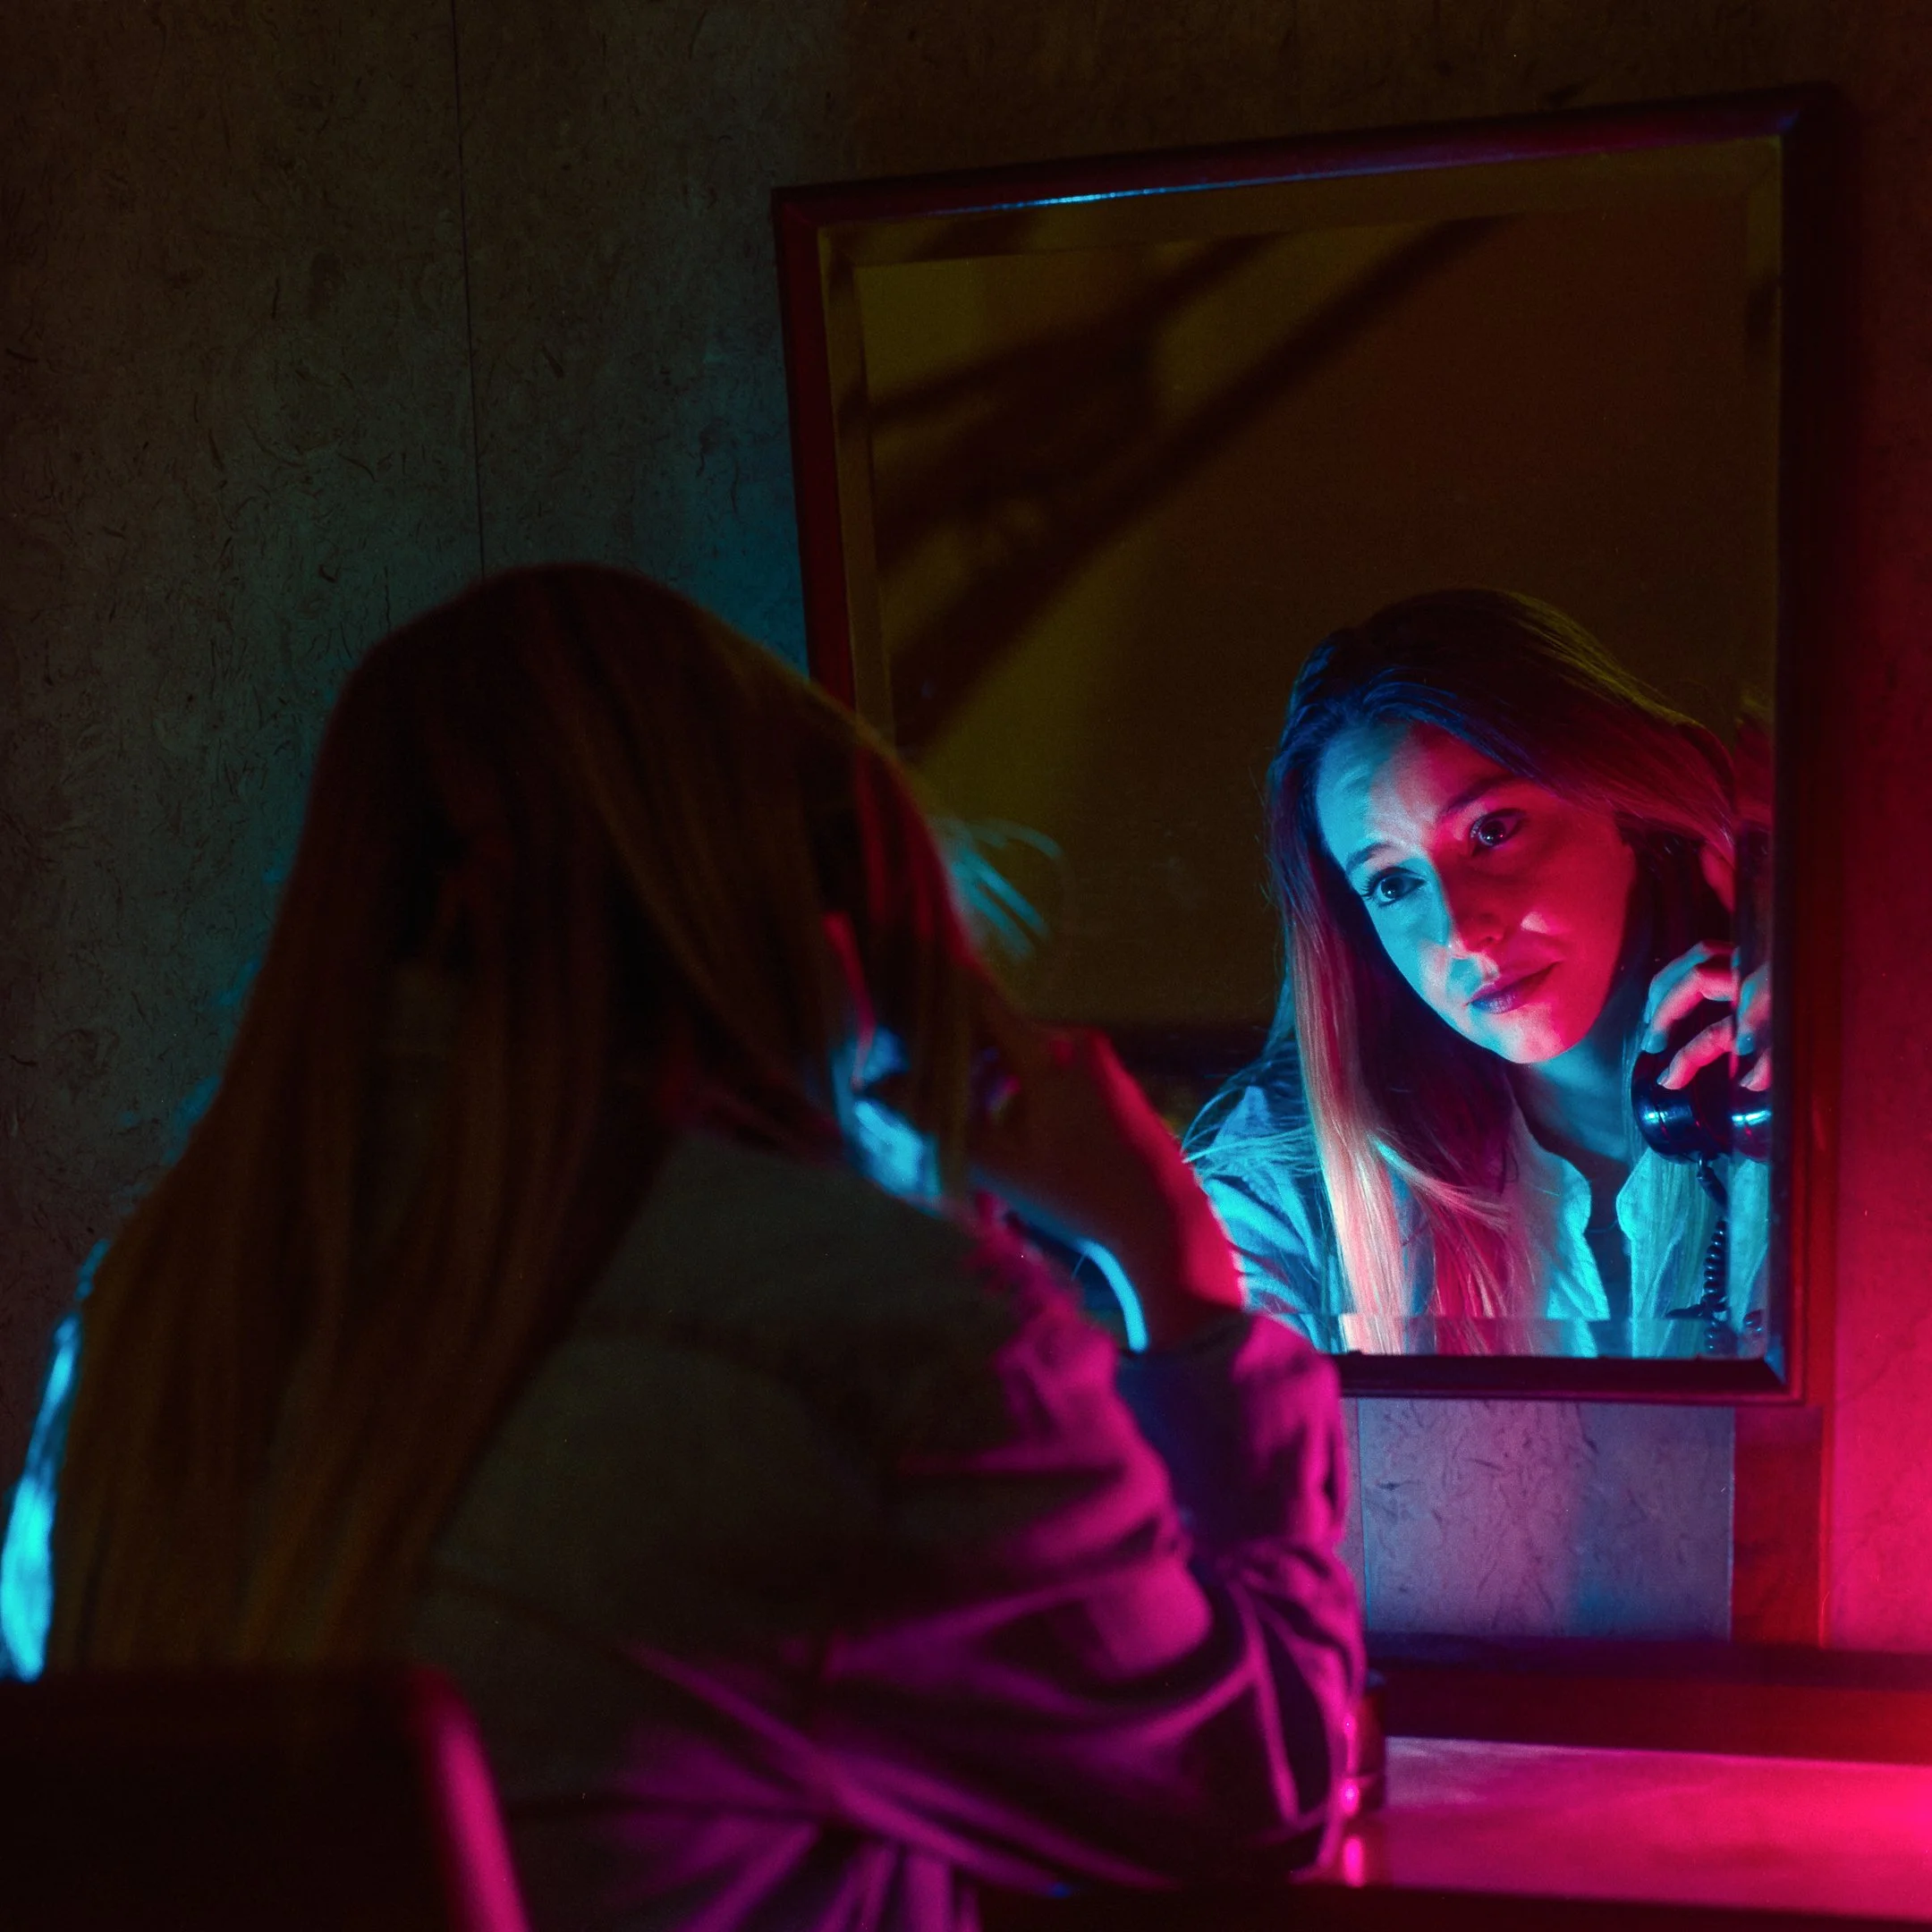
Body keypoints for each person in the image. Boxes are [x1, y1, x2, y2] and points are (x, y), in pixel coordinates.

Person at [9, 566, 1363, 1928]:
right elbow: (1257, 1801)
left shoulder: (148, 1315)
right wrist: (1173, 1269)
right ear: (824, 938)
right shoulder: (864, 1340)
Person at [1185, 589, 1770, 1358]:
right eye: (1393, 883)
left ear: (1623, 805)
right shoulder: (1291, 1176)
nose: (1462, 931)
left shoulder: (1809, 1074)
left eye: (1492, 832)